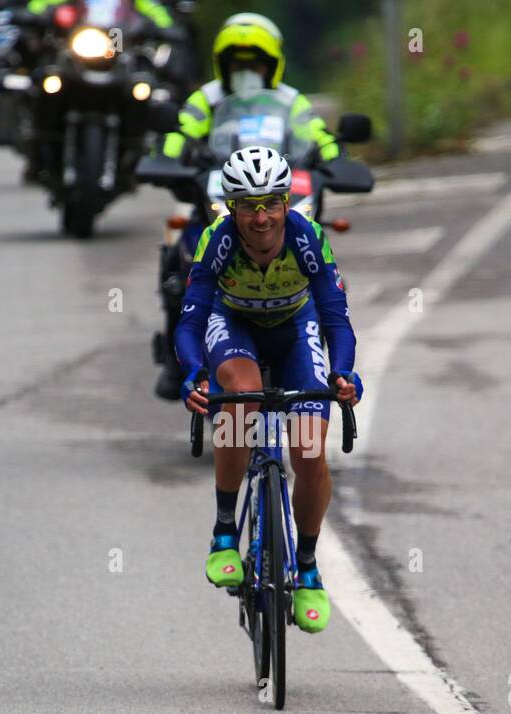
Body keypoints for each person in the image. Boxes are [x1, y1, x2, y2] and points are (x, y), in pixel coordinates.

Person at [176, 146, 362, 634]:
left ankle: (305, 565)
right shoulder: (218, 240)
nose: (260, 218)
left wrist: (343, 374)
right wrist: (194, 371)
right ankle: (223, 532)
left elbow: (336, 320)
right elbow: (191, 318)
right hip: (233, 322)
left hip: (294, 328)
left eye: (270, 204)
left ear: (285, 202)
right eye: (247, 205)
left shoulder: (307, 237)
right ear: (231, 208)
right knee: (244, 398)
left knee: (308, 449)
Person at [154, 11, 341, 400]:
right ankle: (180, 358)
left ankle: (311, 364)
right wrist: (168, 158)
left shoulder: (291, 101)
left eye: (254, 63)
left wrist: (336, 159)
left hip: (279, 184)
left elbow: (318, 135)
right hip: (219, 195)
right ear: (222, 66)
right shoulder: (205, 98)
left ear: (273, 65)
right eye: (236, 65)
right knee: (183, 250)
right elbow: (181, 132)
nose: (246, 72)